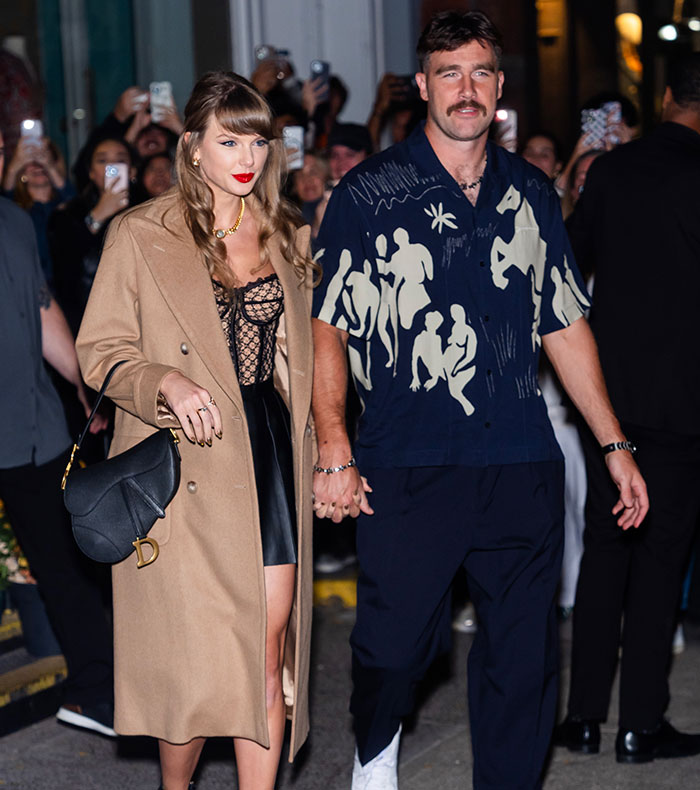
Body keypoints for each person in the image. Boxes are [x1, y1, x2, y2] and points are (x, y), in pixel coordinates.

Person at [310, 11, 648, 789]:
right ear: (423, 85)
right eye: (450, 73)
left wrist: (614, 444)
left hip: (519, 456)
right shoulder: (369, 192)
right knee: (394, 647)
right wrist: (333, 442)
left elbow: (564, 322)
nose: (466, 88)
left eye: (481, 73)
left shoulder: (531, 192)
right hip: (408, 457)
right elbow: (328, 322)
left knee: (524, 661)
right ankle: (376, 747)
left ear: (498, 89)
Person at [75, 71, 316, 790]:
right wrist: (164, 383)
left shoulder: (288, 234)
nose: (247, 157)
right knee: (195, 664)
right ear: (192, 146)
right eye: (229, 141)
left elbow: (308, 358)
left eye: (258, 142)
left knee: (267, 647)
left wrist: (332, 447)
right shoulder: (140, 233)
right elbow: (100, 351)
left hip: (267, 454)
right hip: (183, 462)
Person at [554, 52, 700, 764]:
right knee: (661, 558)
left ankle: (583, 718)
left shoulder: (612, 171)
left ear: (666, 96)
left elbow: (566, 263)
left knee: (605, 548)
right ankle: (641, 723)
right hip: (685, 398)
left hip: (606, 395)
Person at [0, 128, 114, 738]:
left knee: (68, 562)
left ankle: (95, 693)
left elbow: (41, 306)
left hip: (35, 426)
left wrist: (82, 379)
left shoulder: (16, 222)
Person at [49, 136, 136, 335]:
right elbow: (65, 269)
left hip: (135, 319)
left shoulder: (149, 211)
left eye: (120, 161)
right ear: (91, 172)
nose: (111, 167)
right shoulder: (67, 215)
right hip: (86, 320)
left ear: (132, 171)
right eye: (102, 161)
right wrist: (97, 216)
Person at [2, 134, 75, 284]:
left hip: (67, 288)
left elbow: (78, 208)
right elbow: (5, 198)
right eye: (31, 160)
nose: (38, 165)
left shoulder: (66, 204)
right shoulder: (14, 209)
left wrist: (50, 166)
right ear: (21, 169)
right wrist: (14, 165)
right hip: (28, 286)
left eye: (42, 157)